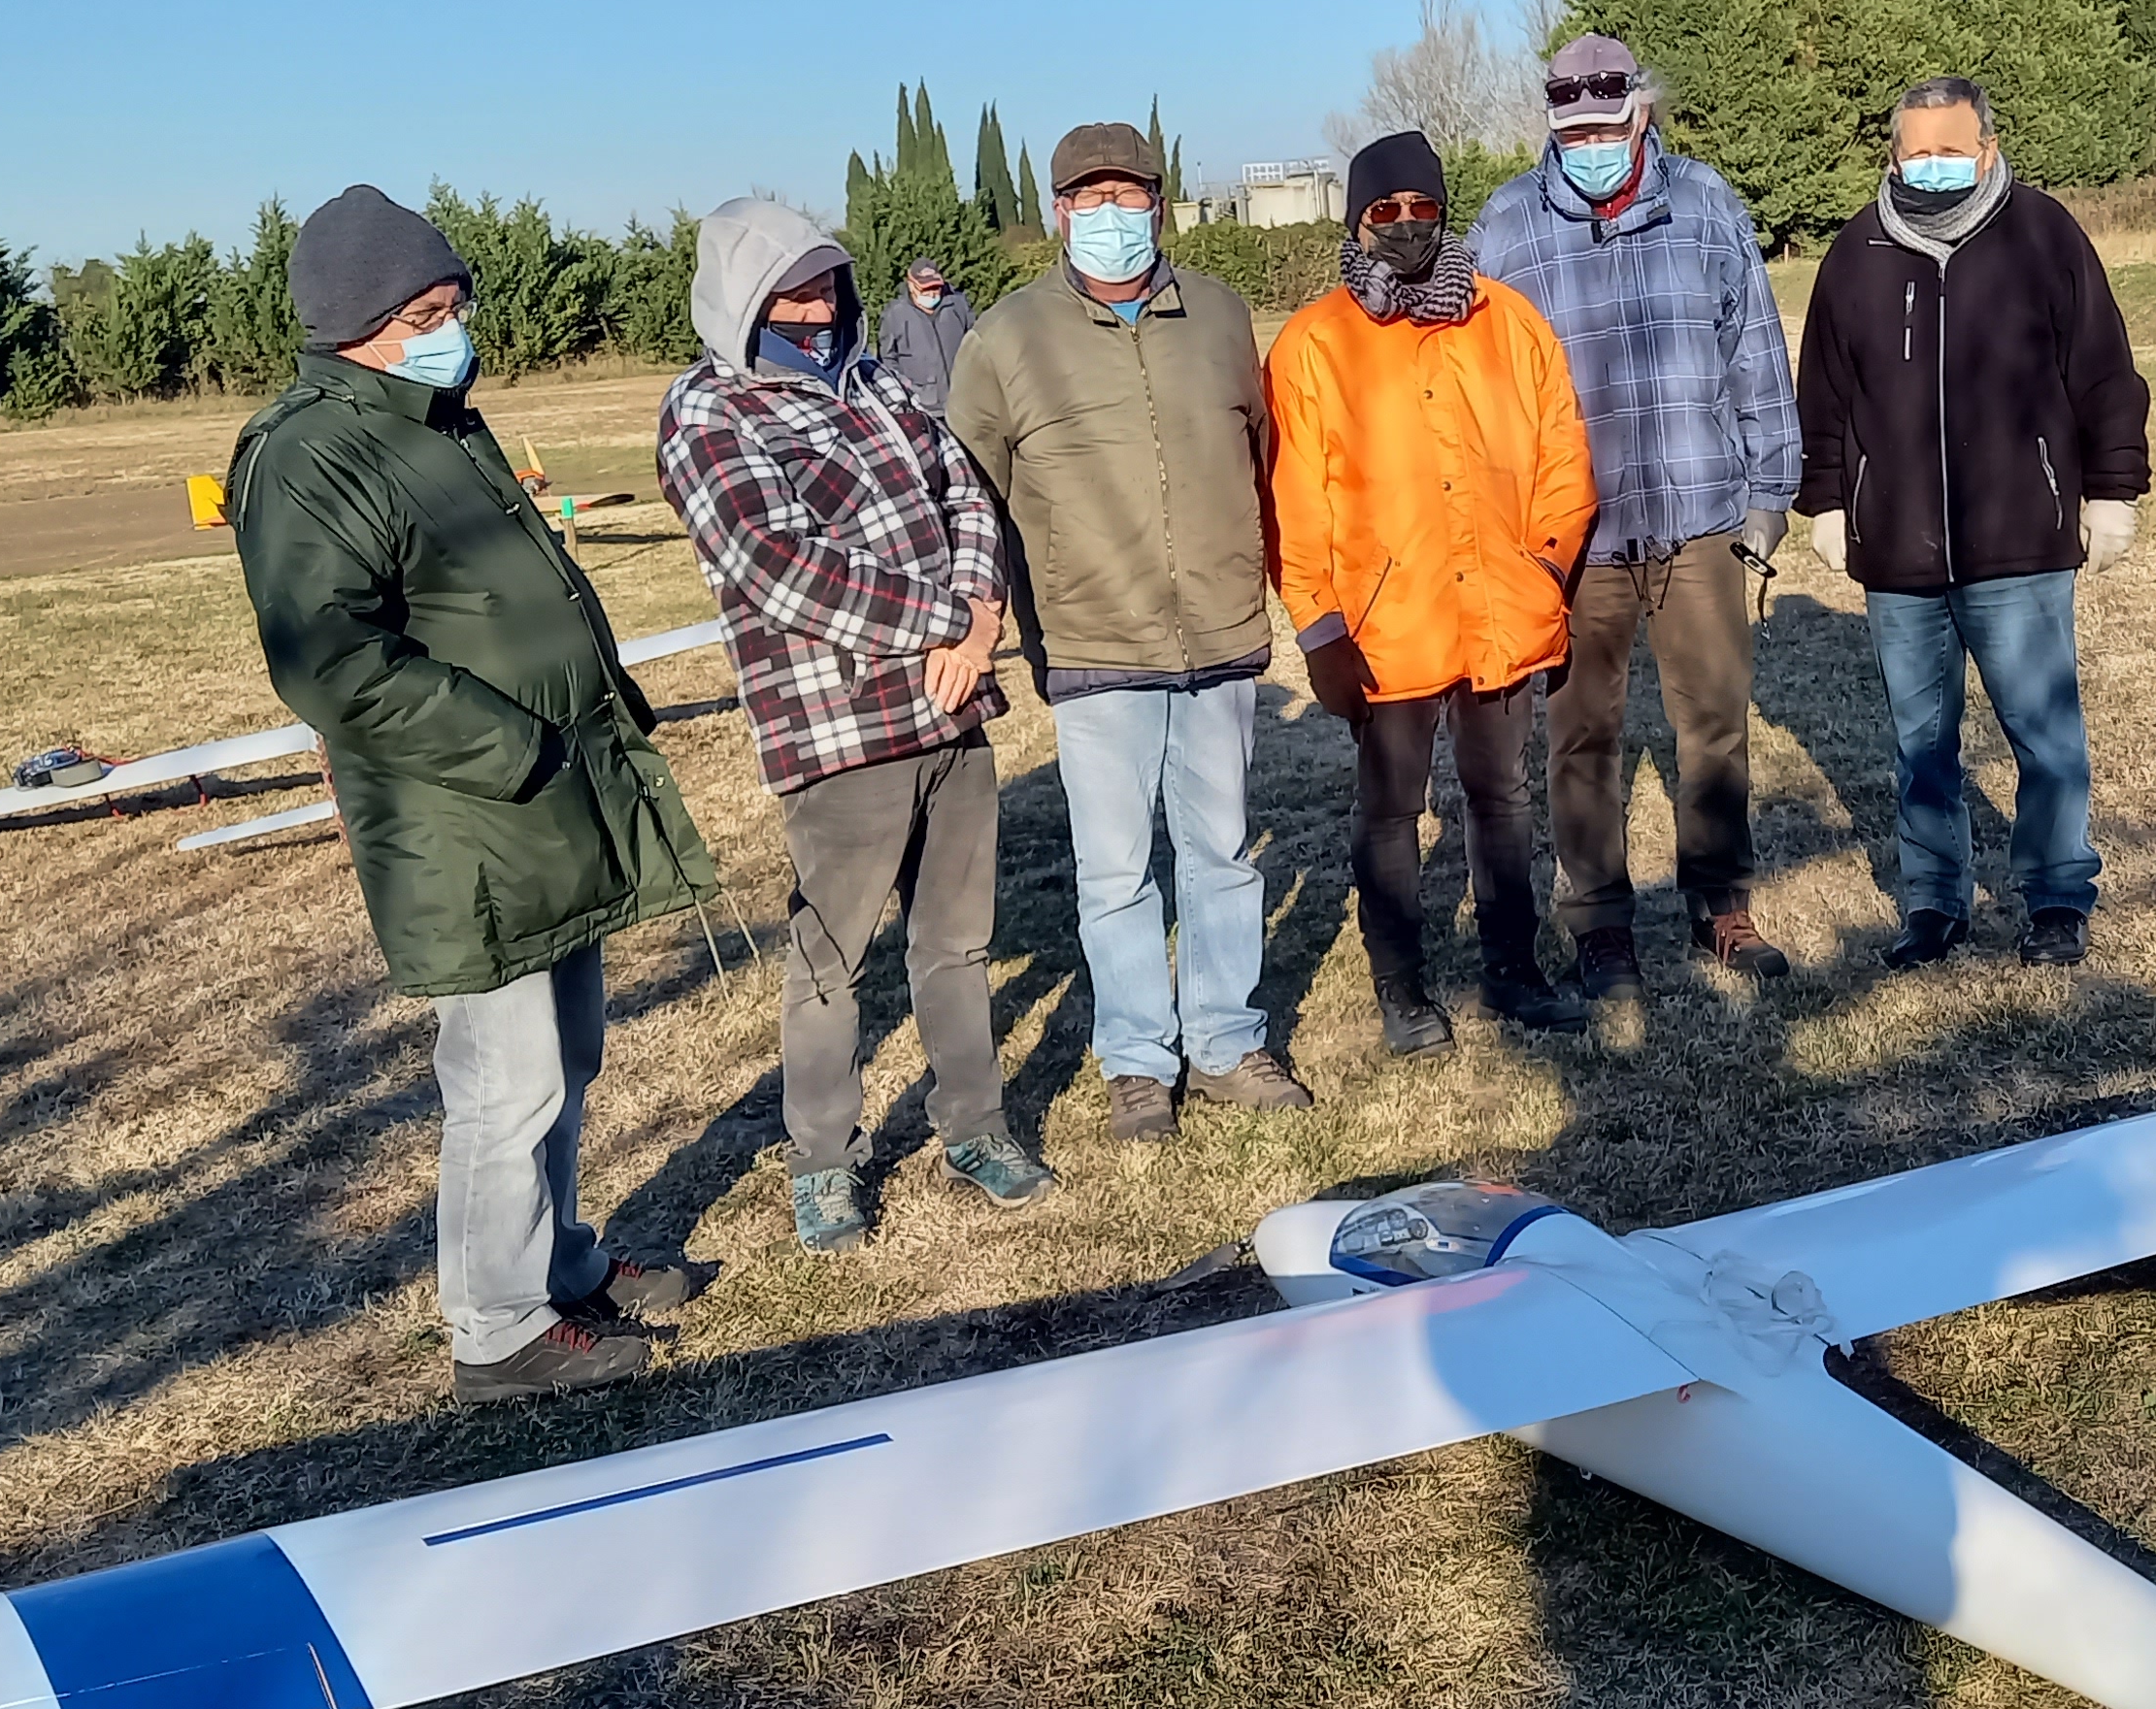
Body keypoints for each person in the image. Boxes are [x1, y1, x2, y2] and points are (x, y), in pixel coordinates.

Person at [230, 184, 721, 1404]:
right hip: (466, 817)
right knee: (505, 1087)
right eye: (427, 310)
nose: (454, 326)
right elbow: (329, 660)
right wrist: (506, 746)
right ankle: (497, 1328)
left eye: (454, 303)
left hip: (548, 796)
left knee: (569, 1057)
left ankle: (555, 1264)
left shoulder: (438, 418)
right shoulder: (311, 451)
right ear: (356, 322)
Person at [657, 196, 1055, 1256]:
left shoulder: (877, 381)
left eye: (825, 283)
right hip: (837, 731)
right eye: (788, 290)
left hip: (951, 705)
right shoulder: (709, 414)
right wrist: (938, 620)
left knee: (957, 944)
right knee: (831, 962)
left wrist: (976, 620)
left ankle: (975, 1126)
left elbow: (964, 493)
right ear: (740, 302)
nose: (814, 306)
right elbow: (780, 567)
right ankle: (825, 1165)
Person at [947, 121, 1316, 1140]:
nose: (1112, 216)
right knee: (1115, 870)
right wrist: (988, 617)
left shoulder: (1220, 316)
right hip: (1092, 640)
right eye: (1090, 199)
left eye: (1130, 196)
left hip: (1218, 632)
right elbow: (966, 491)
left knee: (1223, 852)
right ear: (1060, 211)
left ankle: (1230, 1041)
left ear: (1161, 202)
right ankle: (1135, 1062)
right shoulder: (1006, 339)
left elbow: (1262, 452)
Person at [1469, 34, 1802, 1040]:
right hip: (1574, 541)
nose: (1591, 145)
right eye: (1572, 132)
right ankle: (1601, 926)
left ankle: (1720, 906)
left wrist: (1768, 493)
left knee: (1712, 727)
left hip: (1700, 516)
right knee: (1582, 739)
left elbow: (1755, 351)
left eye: (1607, 128)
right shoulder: (1507, 228)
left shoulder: (1706, 207)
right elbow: (1480, 391)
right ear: (1552, 129)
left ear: (1641, 119)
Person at [1795, 78, 2143, 972]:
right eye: (1918, 151)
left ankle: (2057, 894)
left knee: (2045, 734)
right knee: (1922, 746)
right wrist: (1828, 500)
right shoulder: (1856, 252)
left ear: (1987, 150)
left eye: (1952, 150)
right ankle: (1932, 903)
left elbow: (2102, 370)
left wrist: (2113, 490)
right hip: (1898, 552)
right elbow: (1824, 395)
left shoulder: (2043, 234)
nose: (1933, 166)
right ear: (1893, 154)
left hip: (2020, 540)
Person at [1269, 131, 1599, 1055]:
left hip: (1500, 604)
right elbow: (1294, 500)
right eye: (1386, 211)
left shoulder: (1508, 319)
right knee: (1389, 808)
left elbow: (1562, 452)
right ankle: (1403, 989)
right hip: (1385, 623)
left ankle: (1513, 970)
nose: (1407, 226)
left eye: (1423, 209)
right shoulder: (1313, 343)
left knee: (1502, 798)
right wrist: (1321, 627)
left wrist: (1541, 563)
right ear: (1356, 222)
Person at [874, 255, 975, 414]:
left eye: (935, 287)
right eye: (925, 288)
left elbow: (976, 345)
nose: (932, 293)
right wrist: (908, 389)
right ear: (911, 286)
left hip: (963, 404)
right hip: (921, 408)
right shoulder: (895, 315)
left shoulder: (958, 306)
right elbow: (887, 361)